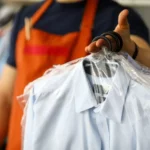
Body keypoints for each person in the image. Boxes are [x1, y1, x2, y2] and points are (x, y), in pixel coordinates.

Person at [0, 0, 150, 149]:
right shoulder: (27, 16)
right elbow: (5, 96)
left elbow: (144, 67)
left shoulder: (115, 17)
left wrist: (132, 50)